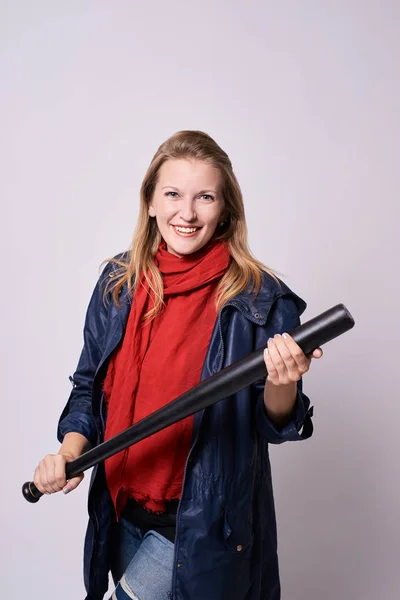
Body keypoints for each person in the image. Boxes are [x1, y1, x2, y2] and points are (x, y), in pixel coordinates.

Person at [33, 130, 322, 600]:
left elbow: (274, 425)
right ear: (149, 201)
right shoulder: (118, 283)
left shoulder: (259, 298)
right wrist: (68, 454)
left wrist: (281, 383)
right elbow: (89, 386)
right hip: (122, 506)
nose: (186, 214)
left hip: (201, 522)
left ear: (225, 208)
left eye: (204, 197)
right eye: (172, 194)